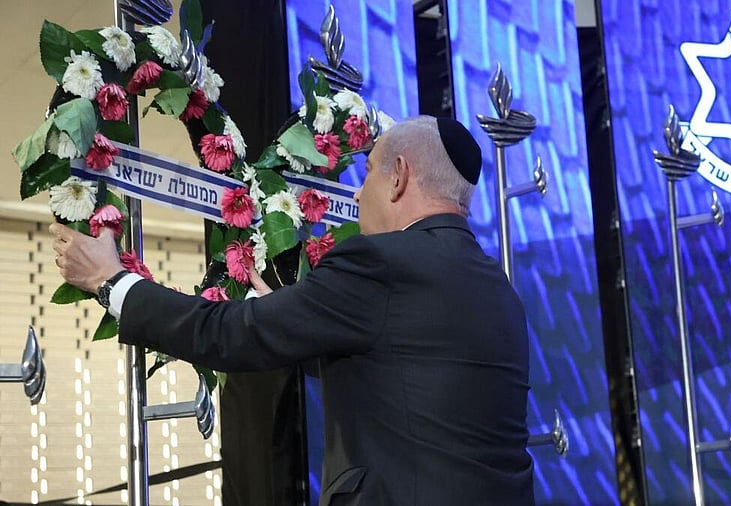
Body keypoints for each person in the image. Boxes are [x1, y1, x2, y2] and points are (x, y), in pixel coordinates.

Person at [51, 116, 535, 506]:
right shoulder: (498, 289)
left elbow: (231, 335)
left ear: (400, 176)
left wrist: (111, 281)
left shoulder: (381, 262)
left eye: (366, 173)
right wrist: (291, 320)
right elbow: (410, 385)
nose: (358, 195)